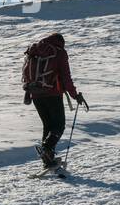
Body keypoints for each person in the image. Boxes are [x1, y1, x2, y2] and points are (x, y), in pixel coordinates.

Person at [23, 33, 87, 168]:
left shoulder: (34, 51)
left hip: (35, 94)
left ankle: (48, 158)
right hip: (52, 94)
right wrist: (75, 95)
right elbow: (66, 76)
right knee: (59, 125)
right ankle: (47, 148)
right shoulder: (59, 52)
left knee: (48, 125)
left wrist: (29, 93)